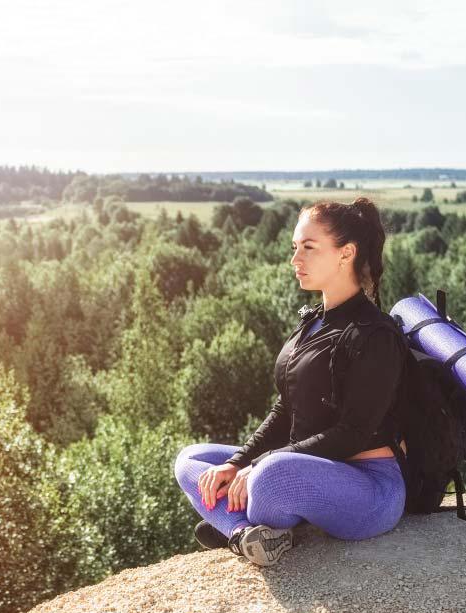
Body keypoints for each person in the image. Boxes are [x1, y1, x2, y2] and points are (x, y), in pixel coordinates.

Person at [174, 197, 408, 566]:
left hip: (369, 489)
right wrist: (238, 462)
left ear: (346, 253)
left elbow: (354, 433)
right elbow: (285, 409)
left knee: (270, 475)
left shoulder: (373, 334)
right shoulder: (313, 322)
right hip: (305, 467)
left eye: (309, 248)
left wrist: (261, 464)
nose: (295, 260)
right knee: (191, 460)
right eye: (295, 247)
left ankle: (235, 519)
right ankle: (242, 533)